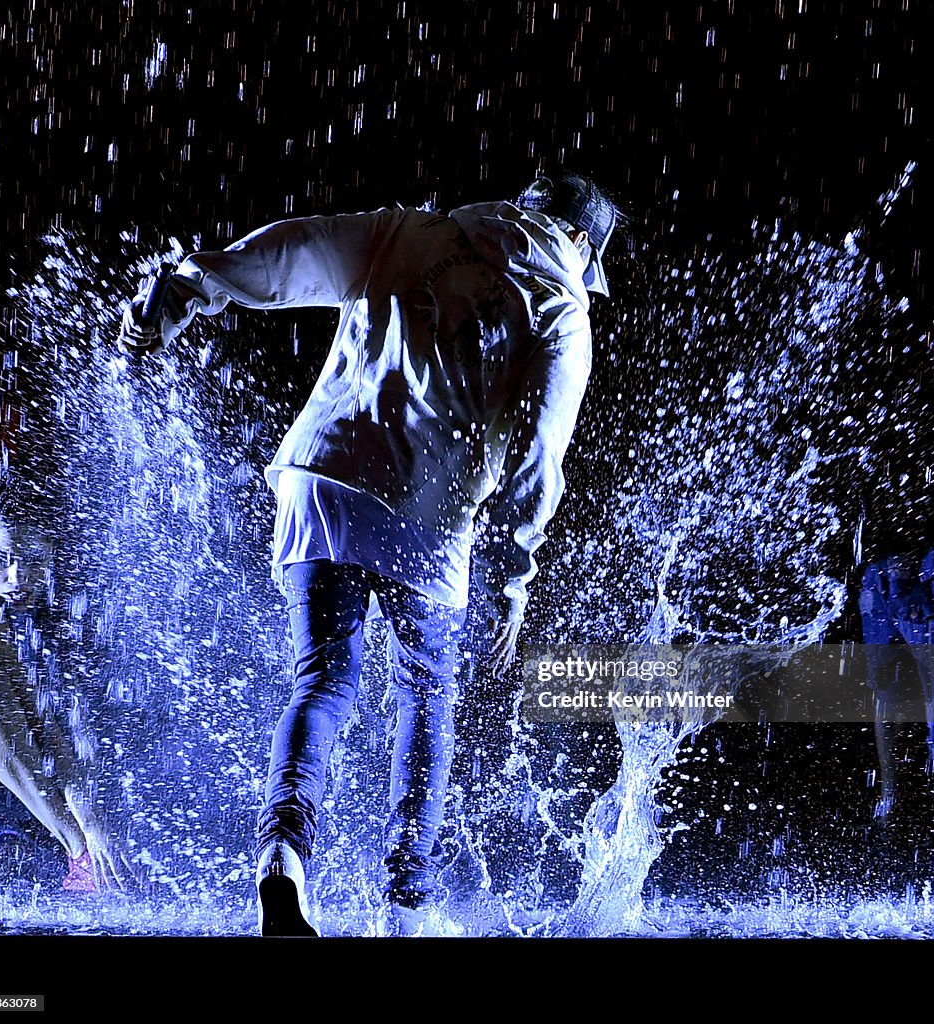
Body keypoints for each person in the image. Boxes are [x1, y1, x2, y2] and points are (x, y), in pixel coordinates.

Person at [118, 169, 619, 936]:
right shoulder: (562, 308)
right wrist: (512, 581)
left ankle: (283, 854)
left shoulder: (412, 230)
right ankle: (405, 903)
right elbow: (537, 460)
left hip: (322, 476)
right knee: (426, 691)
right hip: (429, 516)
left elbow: (298, 251)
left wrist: (191, 285)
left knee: (322, 679)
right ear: (580, 242)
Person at [0, 465, 134, 890]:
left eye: (33, 561)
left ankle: (66, 847)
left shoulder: (65, 601)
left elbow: (55, 715)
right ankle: (79, 857)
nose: (16, 578)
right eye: (0, 560)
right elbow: (22, 701)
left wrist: (98, 817)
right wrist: (86, 833)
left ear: (53, 551)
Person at [859, 547, 934, 818]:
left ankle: (895, 801)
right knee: (889, 687)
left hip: (926, 567)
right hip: (886, 571)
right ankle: (891, 799)